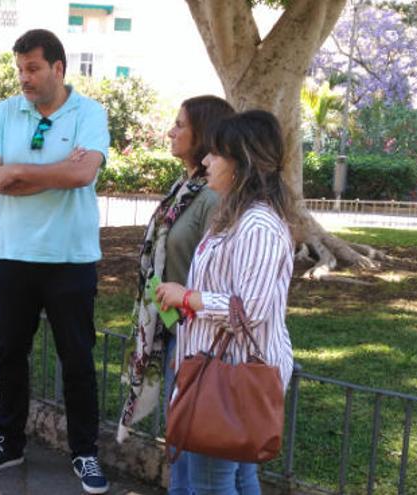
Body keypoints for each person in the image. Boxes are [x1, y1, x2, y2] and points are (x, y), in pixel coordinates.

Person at [0, 29, 111, 494]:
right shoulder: (5, 112)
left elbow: (85, 172)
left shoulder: (89, 113)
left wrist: (20, 170)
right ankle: (8, 441)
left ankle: (84, 452)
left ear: (58, 68)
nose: (24, 78)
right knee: (9, 355)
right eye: (20, 69)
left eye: (33, 68)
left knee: (77, 360)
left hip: (71, 257)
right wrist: (57, 173)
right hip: (12, 254)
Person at [155, 110, 297, 495]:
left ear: (240, 163)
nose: (205, 161)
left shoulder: (258, 225)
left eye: (215, 154)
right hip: (218, 367)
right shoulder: (235, 217)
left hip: (231, 375)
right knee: (233, 476)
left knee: (211, 484)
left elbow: (248, 311)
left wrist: (189, 297)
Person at [115, 96, 234, 495]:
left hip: (199, 342)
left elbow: (221, 278)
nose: (171, 131)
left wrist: (181, 313)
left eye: (180, 124)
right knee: (183, 447)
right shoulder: (185, 188)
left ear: (202, 134)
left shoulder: (212, 197)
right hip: (176, 332)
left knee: (197, 457)